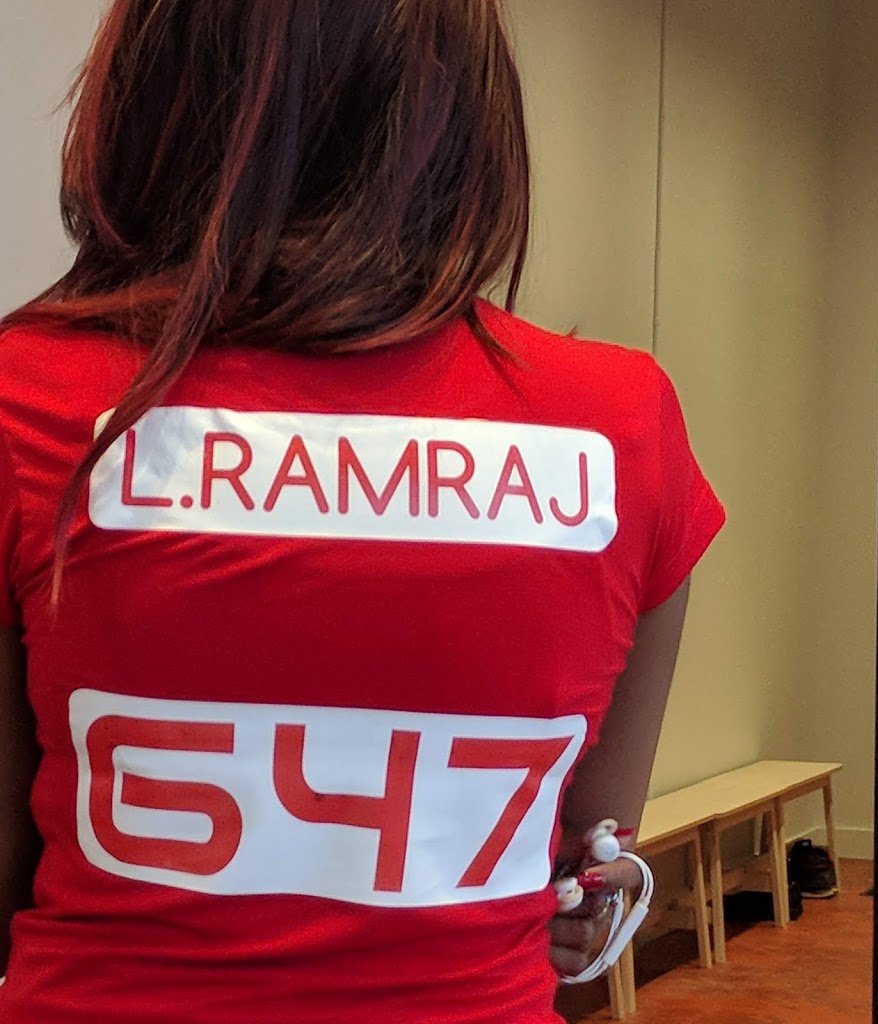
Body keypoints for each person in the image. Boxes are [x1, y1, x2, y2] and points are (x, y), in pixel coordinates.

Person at [0, 2, 724, 1022]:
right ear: (462, 112)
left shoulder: (27, 396)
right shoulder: (620, 427)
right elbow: (582, 867)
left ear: (147, 90)